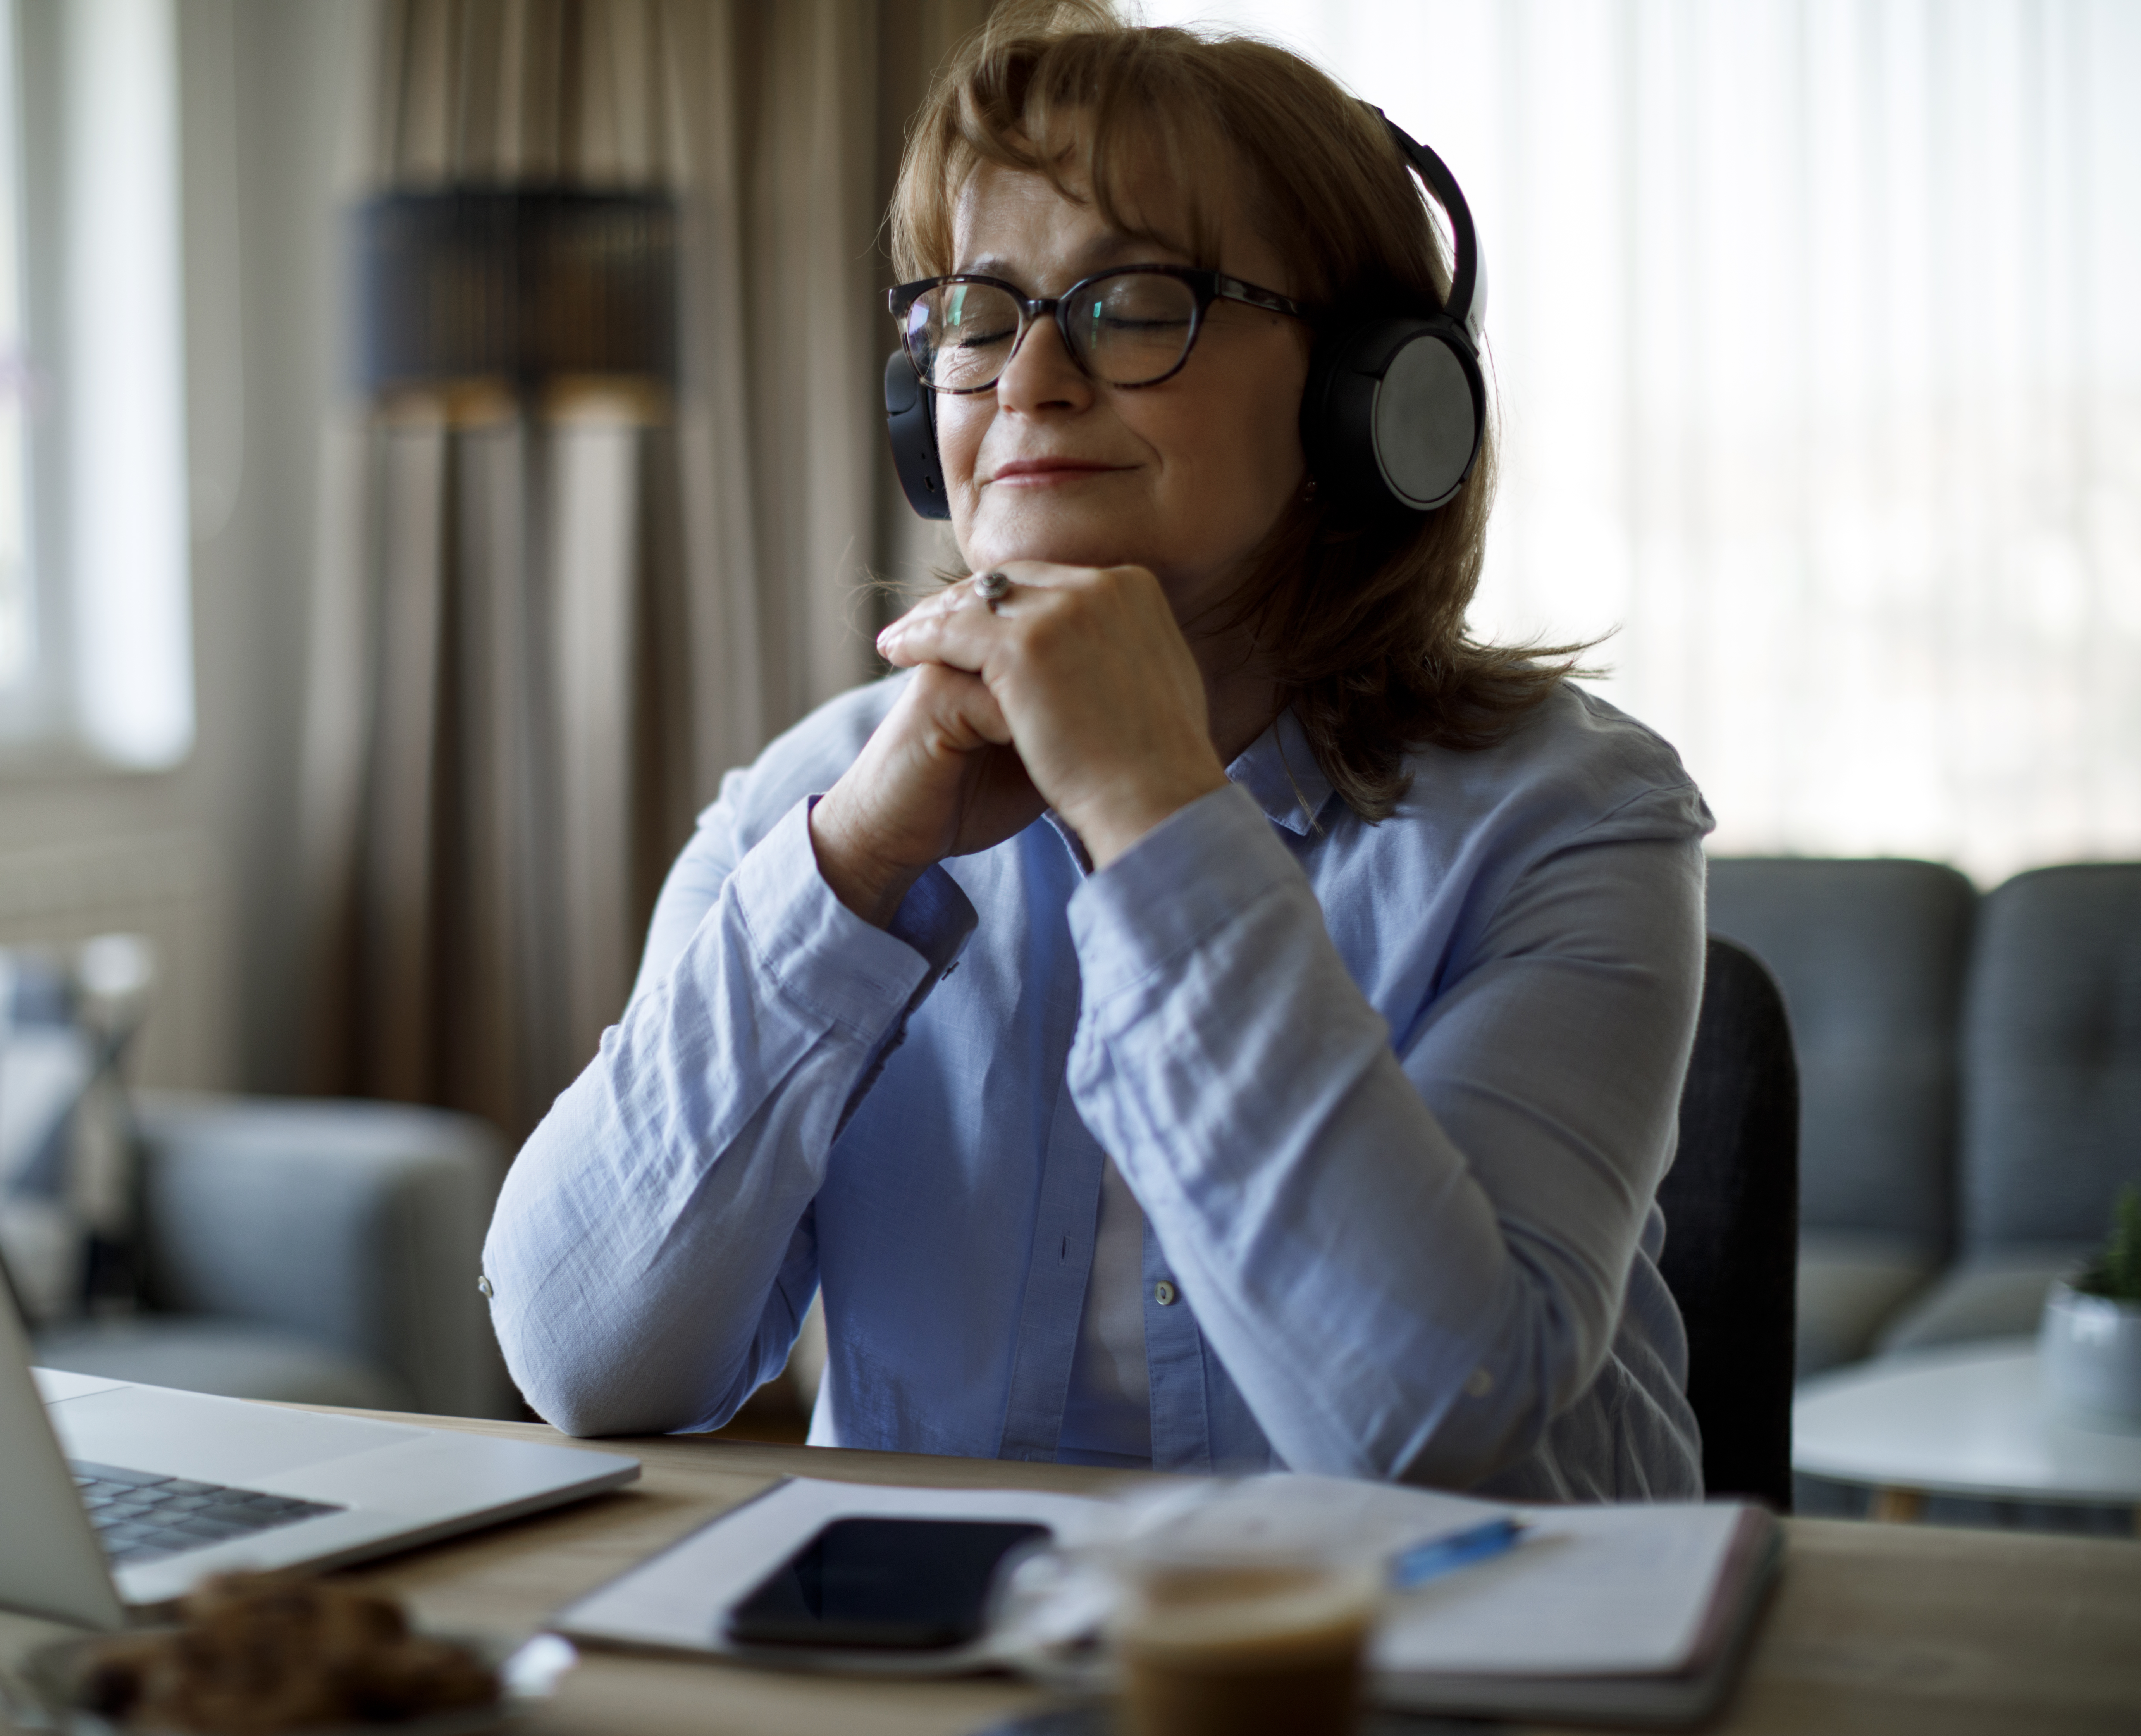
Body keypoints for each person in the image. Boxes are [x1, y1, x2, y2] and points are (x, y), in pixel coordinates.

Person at [482, 3, 1709, 1502]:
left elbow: (1428, 1428)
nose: (1028, 381)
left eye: (1135, 303)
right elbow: (583, 1354)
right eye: (977, 315)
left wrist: (1155, 812)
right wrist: (855, 860)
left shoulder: (1577, 820)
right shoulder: (807, 806)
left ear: (1374, 395)